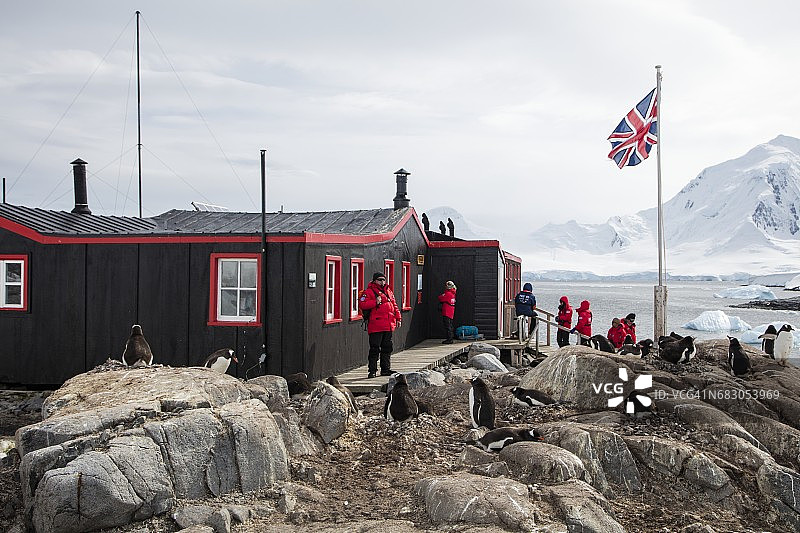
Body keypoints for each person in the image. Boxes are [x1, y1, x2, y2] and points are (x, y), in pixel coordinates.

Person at [359, 272, 402, 378]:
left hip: (388, 324)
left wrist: (398, 318)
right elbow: (362, 304)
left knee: (387, 348)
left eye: (383, 280)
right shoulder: (368, 292)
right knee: (374, 348)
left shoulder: (388, 291)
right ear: (374, 280)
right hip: (376, 325)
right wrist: (375, 302)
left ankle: (385, 369)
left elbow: (394, 305)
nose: (382, 282)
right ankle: (372, 371)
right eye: (379, 280)